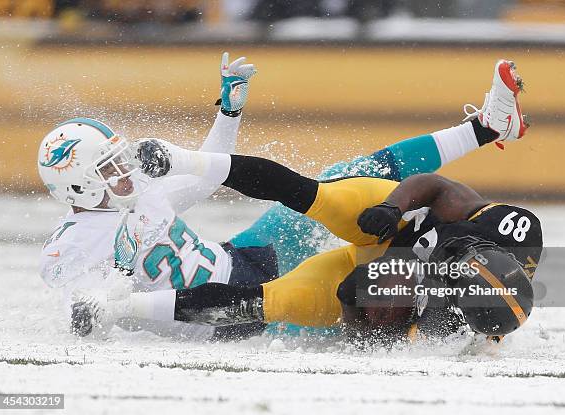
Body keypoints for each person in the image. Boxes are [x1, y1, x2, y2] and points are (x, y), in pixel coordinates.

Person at [37, 56, 528, 339]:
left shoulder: (138, 194)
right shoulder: (71, 243)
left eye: (119, 159)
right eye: (109, 168)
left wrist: (228, 113)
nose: (124, 171)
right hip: (228, 317)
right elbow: (82, 316)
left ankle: (483, 129)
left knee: (341, 182)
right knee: (373, 313)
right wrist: (105, 297)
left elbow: (208, 175)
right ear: (77, 186)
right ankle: (462, 324)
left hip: (245, 256)